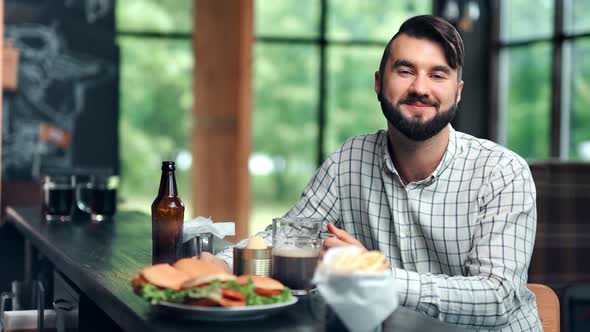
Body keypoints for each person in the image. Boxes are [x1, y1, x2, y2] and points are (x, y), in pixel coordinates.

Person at [204, 15, 541, 331]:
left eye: (437, 75)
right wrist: (219, 265)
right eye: (405, 71)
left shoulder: (502, 171)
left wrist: (375, 274)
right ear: (379, 84)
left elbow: (498, 297)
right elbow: (289, 235)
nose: (421, 88)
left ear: (458, 92)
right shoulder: (349, 159)